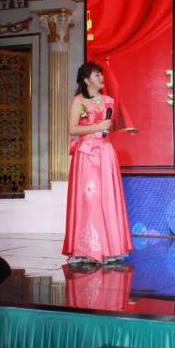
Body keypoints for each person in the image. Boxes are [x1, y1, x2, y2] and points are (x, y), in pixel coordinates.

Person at [62, 62, 133, 264]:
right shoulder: (79, 101)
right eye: (96, 75)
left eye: (101, 74)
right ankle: (84, 249)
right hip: (86, 154)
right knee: (88, 199)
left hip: (105, 153)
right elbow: (72, 129)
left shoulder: (109, 101)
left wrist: (105, 128)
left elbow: (110, 127)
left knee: (108, 198)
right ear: (86, 80)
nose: (101, 77)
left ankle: (112, 247)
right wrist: (97, 127)